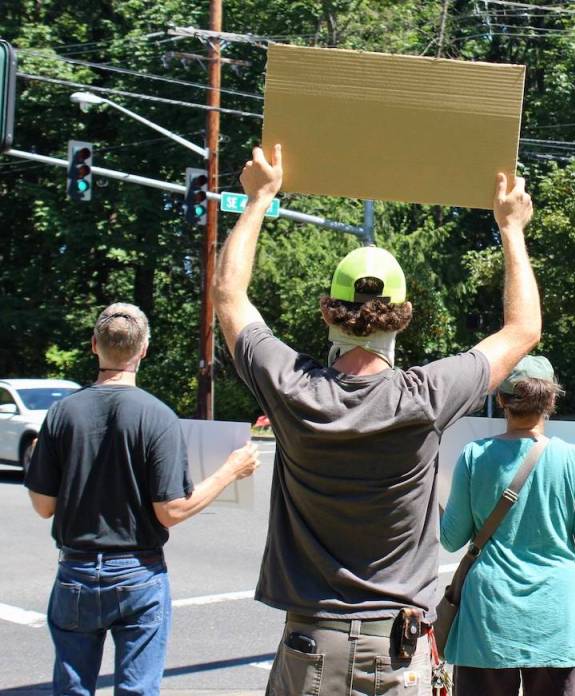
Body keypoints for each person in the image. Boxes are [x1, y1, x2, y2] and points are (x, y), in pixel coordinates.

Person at [212, 145, 541, 695]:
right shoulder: (426, 396)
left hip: (309, 641)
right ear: (404, 318)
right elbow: (522, 329)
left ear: (328, 311)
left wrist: (258, 200)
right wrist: (510, 227)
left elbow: (228, 297)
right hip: (398, 646)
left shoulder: (294, 389)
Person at [24, 302, 260, 695]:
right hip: (138, 573)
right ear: (144, 349)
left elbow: (42, 506)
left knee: (71, 689)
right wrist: (231, 472)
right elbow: (171, 510)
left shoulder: (62, 414)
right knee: (138, 690)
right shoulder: (158, 416)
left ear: (94, 345)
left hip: (76, 572)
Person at [440, 355, 575, 696]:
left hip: (488, 618)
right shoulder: (573, 459)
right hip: (558, 619)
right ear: (550, 401)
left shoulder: (473, 456)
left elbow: (451, 540)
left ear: (501, 400)